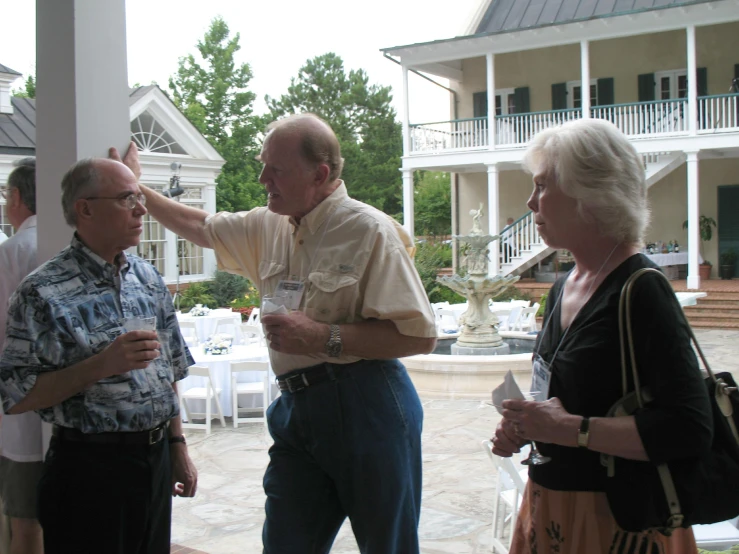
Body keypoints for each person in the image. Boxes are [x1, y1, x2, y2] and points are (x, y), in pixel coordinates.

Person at [117, 113, 438, 554]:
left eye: (276, 169)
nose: (263, 177)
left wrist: (324, 336)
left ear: (320, 174)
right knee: (286, 543)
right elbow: (199, 227)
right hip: (295, 408)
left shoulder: (369, 230)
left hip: (368, 404)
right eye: (263, 164)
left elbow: (419, 337)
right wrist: (136, 189)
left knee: (389, 545)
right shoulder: (269, 223)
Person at [491, 118, 712, 553]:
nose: (530, 202)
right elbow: (555, 396)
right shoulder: (562, 287)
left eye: (542, 187)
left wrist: (574, 430)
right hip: (550, 510)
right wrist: (525, 426)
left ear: (588, 196)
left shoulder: (642, 290)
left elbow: (690, 429)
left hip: (619, 526)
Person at [0, 157, 198, 554]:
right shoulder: (42, 291)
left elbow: (169, 368)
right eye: (128, 199)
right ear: (85, 209)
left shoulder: (147, 277)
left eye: (139, 198)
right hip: (89, 470)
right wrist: (100, 365)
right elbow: (17, 394)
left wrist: (177, 446)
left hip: (155, 460)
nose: (142, 210)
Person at [0, 159, 44, 554]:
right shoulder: (65, 247)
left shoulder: (12, 253)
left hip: (22, 414)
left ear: (15, 197)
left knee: (24, 524)